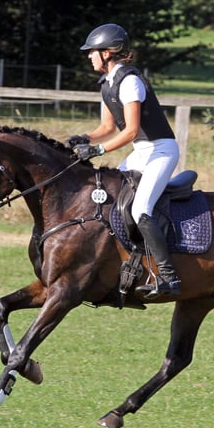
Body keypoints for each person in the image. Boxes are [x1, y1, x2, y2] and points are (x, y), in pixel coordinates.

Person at [68, 23, 181, 299]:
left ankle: (168, 277)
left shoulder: (129, 82)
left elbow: (130, 130)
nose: (89, 56)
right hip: (142, 151)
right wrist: (84, 137)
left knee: (141, 208)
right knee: (109, 196)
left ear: (108, 53)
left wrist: (97, 152)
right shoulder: (107, 84)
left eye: (92, 51)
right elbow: (106, 128)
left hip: (161, 150)